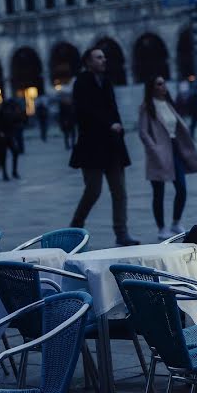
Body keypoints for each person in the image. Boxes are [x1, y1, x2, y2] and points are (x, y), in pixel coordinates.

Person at [69, 47, 139, 246]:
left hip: (112, 145)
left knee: (119, 191)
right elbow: (84, 111)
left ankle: (121, 233)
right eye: (99, 57)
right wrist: (108, 124)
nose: (103, 60)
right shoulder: (82, 82)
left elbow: (113, 109)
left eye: (104, 57)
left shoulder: (106, 82)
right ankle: (75, 226)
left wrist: (119, 128)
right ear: (88, 62)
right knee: (93, 190)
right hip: (91, 146)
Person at [138, 75, 197, 241]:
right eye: (159, 84)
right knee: (158, 191)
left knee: (181, 187)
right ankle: (161, 227)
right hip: (159, 151)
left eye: (163, 83)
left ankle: (175, 221)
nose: (163, 86)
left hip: (175, 148)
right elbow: (143, 132)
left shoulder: (168, 103)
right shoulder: (147, 107)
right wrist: (154, 149)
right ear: (152, 88)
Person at [0, 98, 26, 179]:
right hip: (3, 137)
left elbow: (18, 121)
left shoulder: (12, 112)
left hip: (10, 136)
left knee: (14, 153)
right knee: (4, 156)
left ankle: (13, 172)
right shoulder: (2, 113)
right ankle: (5, 173)